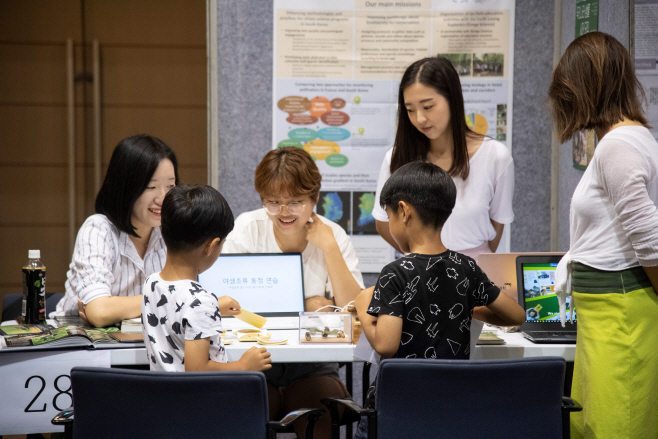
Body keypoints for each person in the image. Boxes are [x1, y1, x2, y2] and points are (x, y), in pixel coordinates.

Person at [354, 161, 524, 438]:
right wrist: (466, 309)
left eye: (389, 216)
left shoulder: (395, 273)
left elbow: (385, 344)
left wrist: (363, 306)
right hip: (451, 408)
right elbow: (515, 316)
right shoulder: (465, 266)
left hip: (398, 410)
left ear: (403, 211)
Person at [549, 32, 658, 439]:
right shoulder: (624, 141)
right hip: (607, 315)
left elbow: (649, 236)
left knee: (618, 426)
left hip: (622, 313)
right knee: (594, 424)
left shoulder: (618, 146)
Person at [222, 146, 364, 439]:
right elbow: (227, 304)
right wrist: (312, 304)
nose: (283, 212)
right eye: (273, 202)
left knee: (320, 411)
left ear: (314, 198)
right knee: (242, 412)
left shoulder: (333, 235)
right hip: (254, 357)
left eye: (295, 202)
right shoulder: (247, 229)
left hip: (313, 366)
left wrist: (330, 249)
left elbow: (355, 312)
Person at [52, 134, 240, 327]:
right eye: (151, 186)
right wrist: (193, 303)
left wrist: (181, 304)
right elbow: (100, 312)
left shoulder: (170, 229)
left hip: (144, 343)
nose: (163, 197)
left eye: (170, 185)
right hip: (80, 344)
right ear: (125, 187)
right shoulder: (98, 229)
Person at [373, 57, 514, 260]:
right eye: (410, 110)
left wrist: (465, 263)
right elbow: (383, 222)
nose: (420, 118)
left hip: (473, 273)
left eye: (428, 107)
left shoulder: (495, 156)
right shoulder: (397, 158)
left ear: (452, 99)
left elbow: (496, 226)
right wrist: (418, 257)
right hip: (420, 273)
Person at [142, 184, 271, 373]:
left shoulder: (151, 283)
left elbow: (175, 309)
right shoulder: (202, 301)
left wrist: (214, 307)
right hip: (200, 400)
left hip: (164, 397)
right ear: (211, 246)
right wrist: (243, 366)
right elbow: (197, 370)